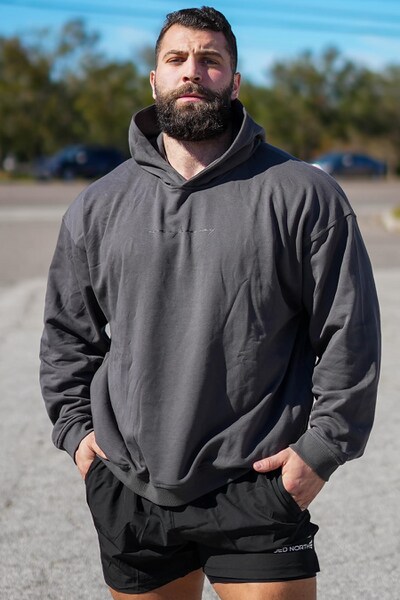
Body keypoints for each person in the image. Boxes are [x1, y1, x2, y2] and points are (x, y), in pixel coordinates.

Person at [40, 6, 381, 600]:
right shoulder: (98, 205)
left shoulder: (303, 193)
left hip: (258, 480)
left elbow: (348, 331)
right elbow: (68, 335)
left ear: (235, 81)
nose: (192, 71)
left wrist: (321, 451)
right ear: (155, 80)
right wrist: (78, 436)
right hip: (130, 484)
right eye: (176, 59)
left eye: (210, 60)